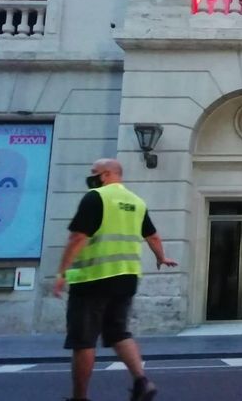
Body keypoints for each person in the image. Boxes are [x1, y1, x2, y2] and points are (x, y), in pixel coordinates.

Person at [53, 159, 178, 401]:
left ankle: (80, 398)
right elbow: (152, 236)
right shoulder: (136, 202)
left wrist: (62, 273)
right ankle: (142, 381)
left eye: (94, 172)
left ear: (107, 174)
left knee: (84, 339)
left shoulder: (96, 197)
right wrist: (161, 258)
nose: (91, 176)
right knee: (119, 332)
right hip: (126, 278)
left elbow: (78, 237)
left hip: (92, 278)